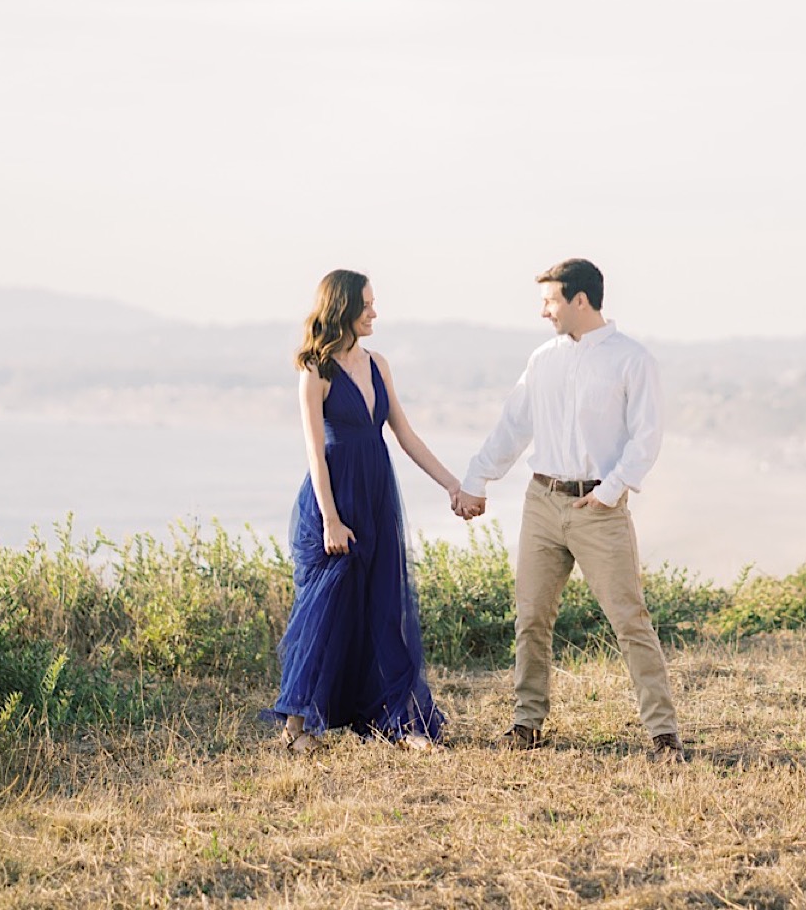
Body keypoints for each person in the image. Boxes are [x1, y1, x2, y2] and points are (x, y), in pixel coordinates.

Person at [452, 258, 686, 763]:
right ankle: (526, 723)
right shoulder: (543, 360)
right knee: (531, 616)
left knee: (629, 619)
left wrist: (612, 488)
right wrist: (476, 479)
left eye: (550, 301)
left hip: (599, 507)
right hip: (541, 502)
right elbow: (513, 426)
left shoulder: (632, 360)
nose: (544, 312)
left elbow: (647, 436)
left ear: (580, 300)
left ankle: (663, 733)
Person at [267, 269, 456, 753]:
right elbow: (314, 451)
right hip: (334, 499)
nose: (375, 312)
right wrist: (330, 518)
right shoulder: (315, 369)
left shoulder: (377, 364)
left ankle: (399, 721)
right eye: (367, 304)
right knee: (325, 610)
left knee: (382, 608)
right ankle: (297, 728)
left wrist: (453, 485)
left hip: (376, 496)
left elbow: (406, 435)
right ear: (343, 308)